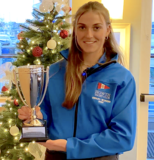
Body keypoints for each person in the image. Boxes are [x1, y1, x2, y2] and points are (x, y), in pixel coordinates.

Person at [18, 1, 137, 160]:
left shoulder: (122, 79)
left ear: (107, 30)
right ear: (75, 30)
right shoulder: (53, 72)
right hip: (55, 156)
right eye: (82, 27)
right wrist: (35, 117)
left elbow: (123, 137)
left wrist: (70, 146)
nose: (88, 35)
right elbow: (43, 113)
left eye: (96, 27)